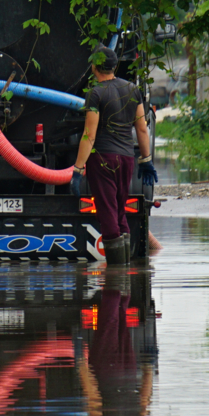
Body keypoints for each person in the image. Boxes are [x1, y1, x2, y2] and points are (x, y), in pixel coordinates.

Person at [71, 46, 155, 261]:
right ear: (115, 66)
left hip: (103, 160)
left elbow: (89, 135)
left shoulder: (95, 93)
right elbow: (142, 128)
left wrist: (78, 169)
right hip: (126, 159)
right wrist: (145, 160)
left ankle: (116, 278)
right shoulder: (132, 89)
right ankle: (125, 280)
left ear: (94, 67)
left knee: (107, 213)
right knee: (119, 211)